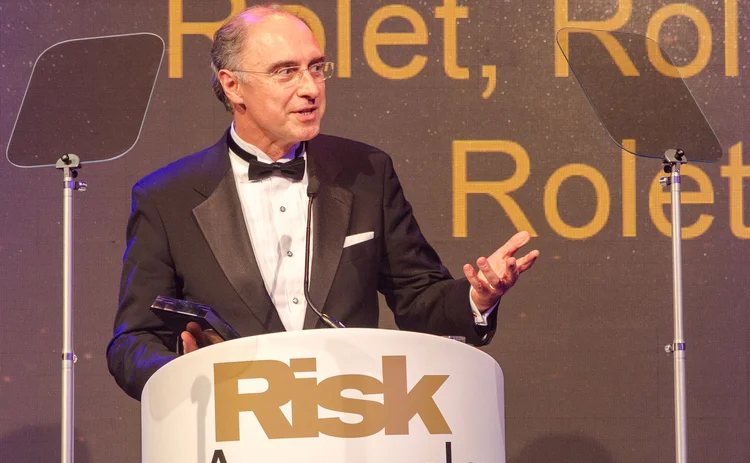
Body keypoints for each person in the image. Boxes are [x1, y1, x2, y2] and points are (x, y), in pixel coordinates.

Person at [106, 4, 538, 400]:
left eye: (316, 68)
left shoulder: (366, 172)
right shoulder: (167, 197)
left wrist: (477, 298)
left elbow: (418, 300)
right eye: (286, 72)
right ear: (232, 85)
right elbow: (133, 341)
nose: (310, 88)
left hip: (352, 422)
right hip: (234, 429)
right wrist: (184, 378)